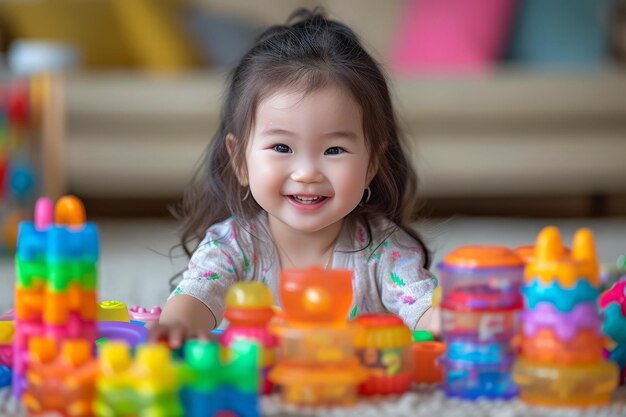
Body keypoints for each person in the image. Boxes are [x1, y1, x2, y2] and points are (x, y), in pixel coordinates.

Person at [152, 8, 438, 347]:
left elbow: (423, 311)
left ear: (372, 163)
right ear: (240, 160)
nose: (306, 174)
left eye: (334, 150)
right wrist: (177, 324)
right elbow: (198, 296)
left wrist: (444, 316)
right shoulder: (233, 244)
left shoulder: (383, 250)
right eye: (281, 147)